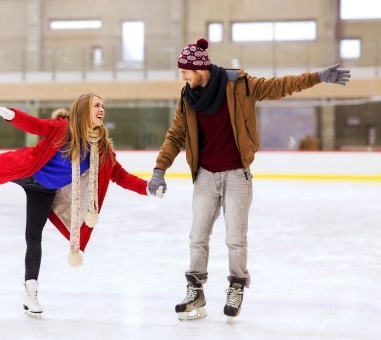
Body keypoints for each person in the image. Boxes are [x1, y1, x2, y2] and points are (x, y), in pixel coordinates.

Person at [147, 38, 350, 322]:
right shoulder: (187, 97)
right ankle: (195, 289)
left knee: (235, 238)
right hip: (205, 175)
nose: (182, 76)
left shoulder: (238, 85)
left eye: (185, 71)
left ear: (200, 68)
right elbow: (175, 135)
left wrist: (317, 77)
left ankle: (236, 285)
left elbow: (279, 86)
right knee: (197, 236)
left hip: (236, 174)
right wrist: (159, 169)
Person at [0, 93, 164, 317]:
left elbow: (121, 176)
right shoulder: (63, 128)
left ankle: (30, 291)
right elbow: (35, 125)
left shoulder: (101, 150)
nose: (102, 109)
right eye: (96, 105)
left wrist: (147, 187)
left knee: (33, 236)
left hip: (44, 191)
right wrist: (12, 115)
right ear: (82, 109)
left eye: (103, 106)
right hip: (26, 169)